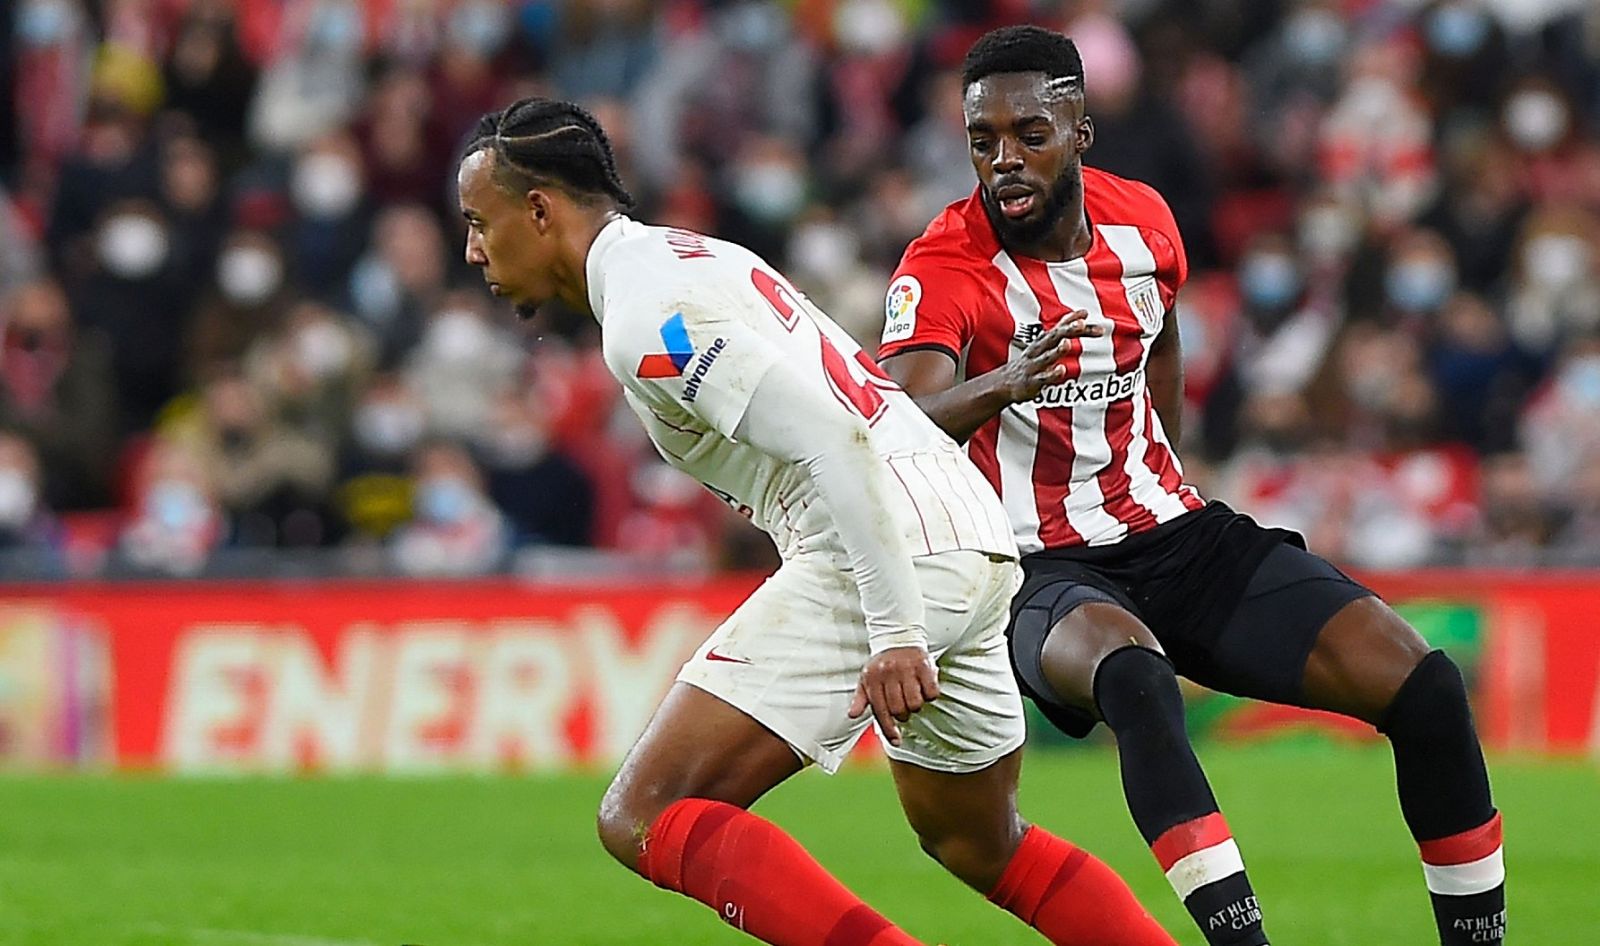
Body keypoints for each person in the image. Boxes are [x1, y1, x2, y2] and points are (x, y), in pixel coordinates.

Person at [456, 96, 1178, 946]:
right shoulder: (695, 257)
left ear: (538, 211)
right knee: (975, 838)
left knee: (644, 812)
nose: (473, 250)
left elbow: (833, 439)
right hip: (969, 531)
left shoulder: (648, 316)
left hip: (882, 542)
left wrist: (896, 630)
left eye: (479, 221)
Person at [878, 26, 1505, 946]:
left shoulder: (1146, 226)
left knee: (1426, 687)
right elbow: (902, 419)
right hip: (1036, 564)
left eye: (1029, 134)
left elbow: (1160, 332)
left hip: (1177, 535)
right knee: (1135, 677)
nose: (1003, 160)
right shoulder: (943, 266)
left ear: (1081, 129)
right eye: (983, 141)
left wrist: (1162, 458)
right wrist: (1003, 383)